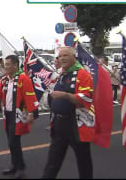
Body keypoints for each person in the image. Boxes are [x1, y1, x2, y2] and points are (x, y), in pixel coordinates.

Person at [0, 55, 39, 179]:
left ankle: (20, 167)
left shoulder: (23, 78)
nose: (4, 67)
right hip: (7, 114)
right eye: (4, 64)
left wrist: (31, 112)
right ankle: (15, 165)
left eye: (7, 64)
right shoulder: (5, 79)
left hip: (17, 114)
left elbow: (30, 95)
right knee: (11, 142)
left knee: (14, 142)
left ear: (15, 65)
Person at [42, 47, 95, 179]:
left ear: (74, 57)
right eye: (60, 56)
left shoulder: (83, 74)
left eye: (66, 55)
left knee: (83, 160)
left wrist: (66, 95)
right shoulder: (61, 74)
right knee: (53, 160)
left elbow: (86, 99)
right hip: (59, 123)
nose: (62, 58)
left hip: (76, 123)